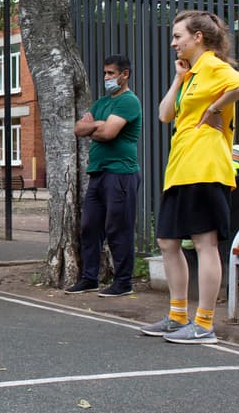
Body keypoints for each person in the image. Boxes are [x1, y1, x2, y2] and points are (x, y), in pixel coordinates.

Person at [141, 10, 239, 344]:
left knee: (204, 244)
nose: (174, 42)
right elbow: (163, 115)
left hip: (204, 166)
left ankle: (204, 323)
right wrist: (178, 78)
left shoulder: (215, 67)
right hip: (181, 169)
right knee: (167, 242)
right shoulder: (191, 75)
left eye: (178, 36)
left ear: (198, 37)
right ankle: (177, 316)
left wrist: (214, 109)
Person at [66, 55, 142, 297]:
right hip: (98, 173)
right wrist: (97, 125)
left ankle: (123, 282)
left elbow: (108, 133)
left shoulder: (128, 101)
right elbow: (78, 129)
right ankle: (90, 278)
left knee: (118, 228)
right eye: (105, 73)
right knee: (90, 227)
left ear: (124, 74)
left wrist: (96, 127)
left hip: (120, 173)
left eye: (111, 73)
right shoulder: (102, 103)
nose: (107, 78)